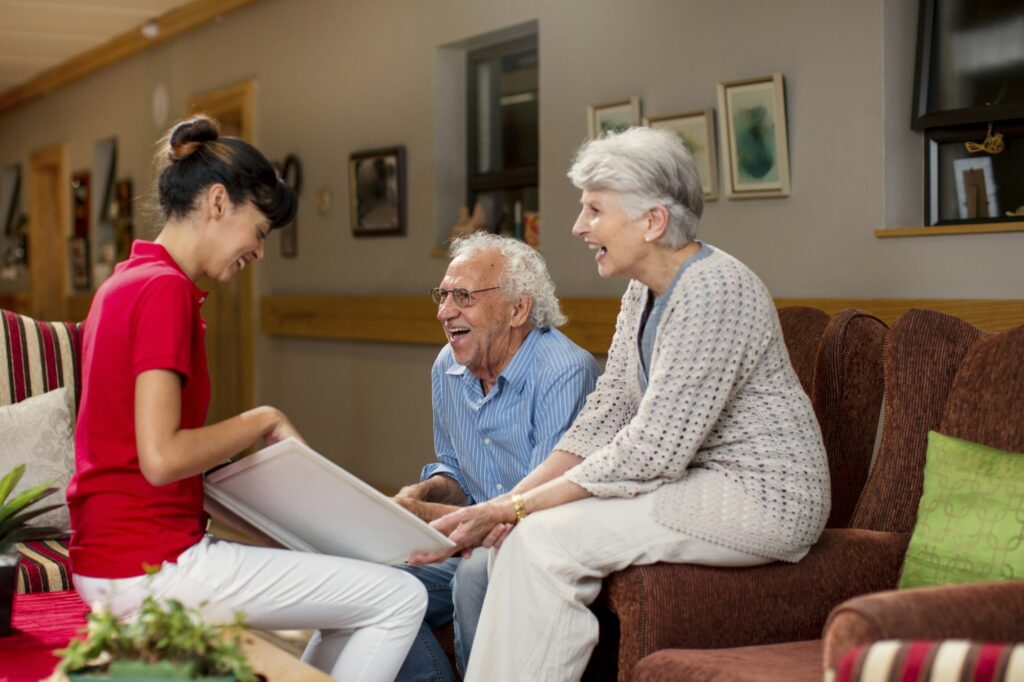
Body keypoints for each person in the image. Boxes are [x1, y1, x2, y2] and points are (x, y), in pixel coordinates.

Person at [410, 127, 831, 681]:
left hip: (761, 495)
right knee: (523, 540)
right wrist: (512, 501)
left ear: (652, 221)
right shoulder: (642, 291)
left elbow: (653, 449)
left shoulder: (717, 289)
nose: (580, 226)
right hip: (692, 480)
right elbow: (603, 417)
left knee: (542, 540)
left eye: (595, 210)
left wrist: (514, 509)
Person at [66, 115, 427, 682]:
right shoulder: (165, 292)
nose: (258, 251)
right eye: (258, 231)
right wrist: (264, 417)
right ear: (216, 202)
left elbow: (137, 457)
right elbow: (162, 458)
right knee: (399, 598)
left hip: (107, 558)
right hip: (150, 565)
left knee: (352, 600)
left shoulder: (124, 283)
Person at [393, 232, 600, 681]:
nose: (445, 312)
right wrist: (426, 490)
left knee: (473, 571)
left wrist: (424, 513)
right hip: (471, 537)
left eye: (463, 296)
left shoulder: (564, 371)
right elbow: (458, 472)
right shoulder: (447, 368)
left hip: (527, 540)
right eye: (443, 295)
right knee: (378, 580)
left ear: (518, 309)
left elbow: (542, 505)